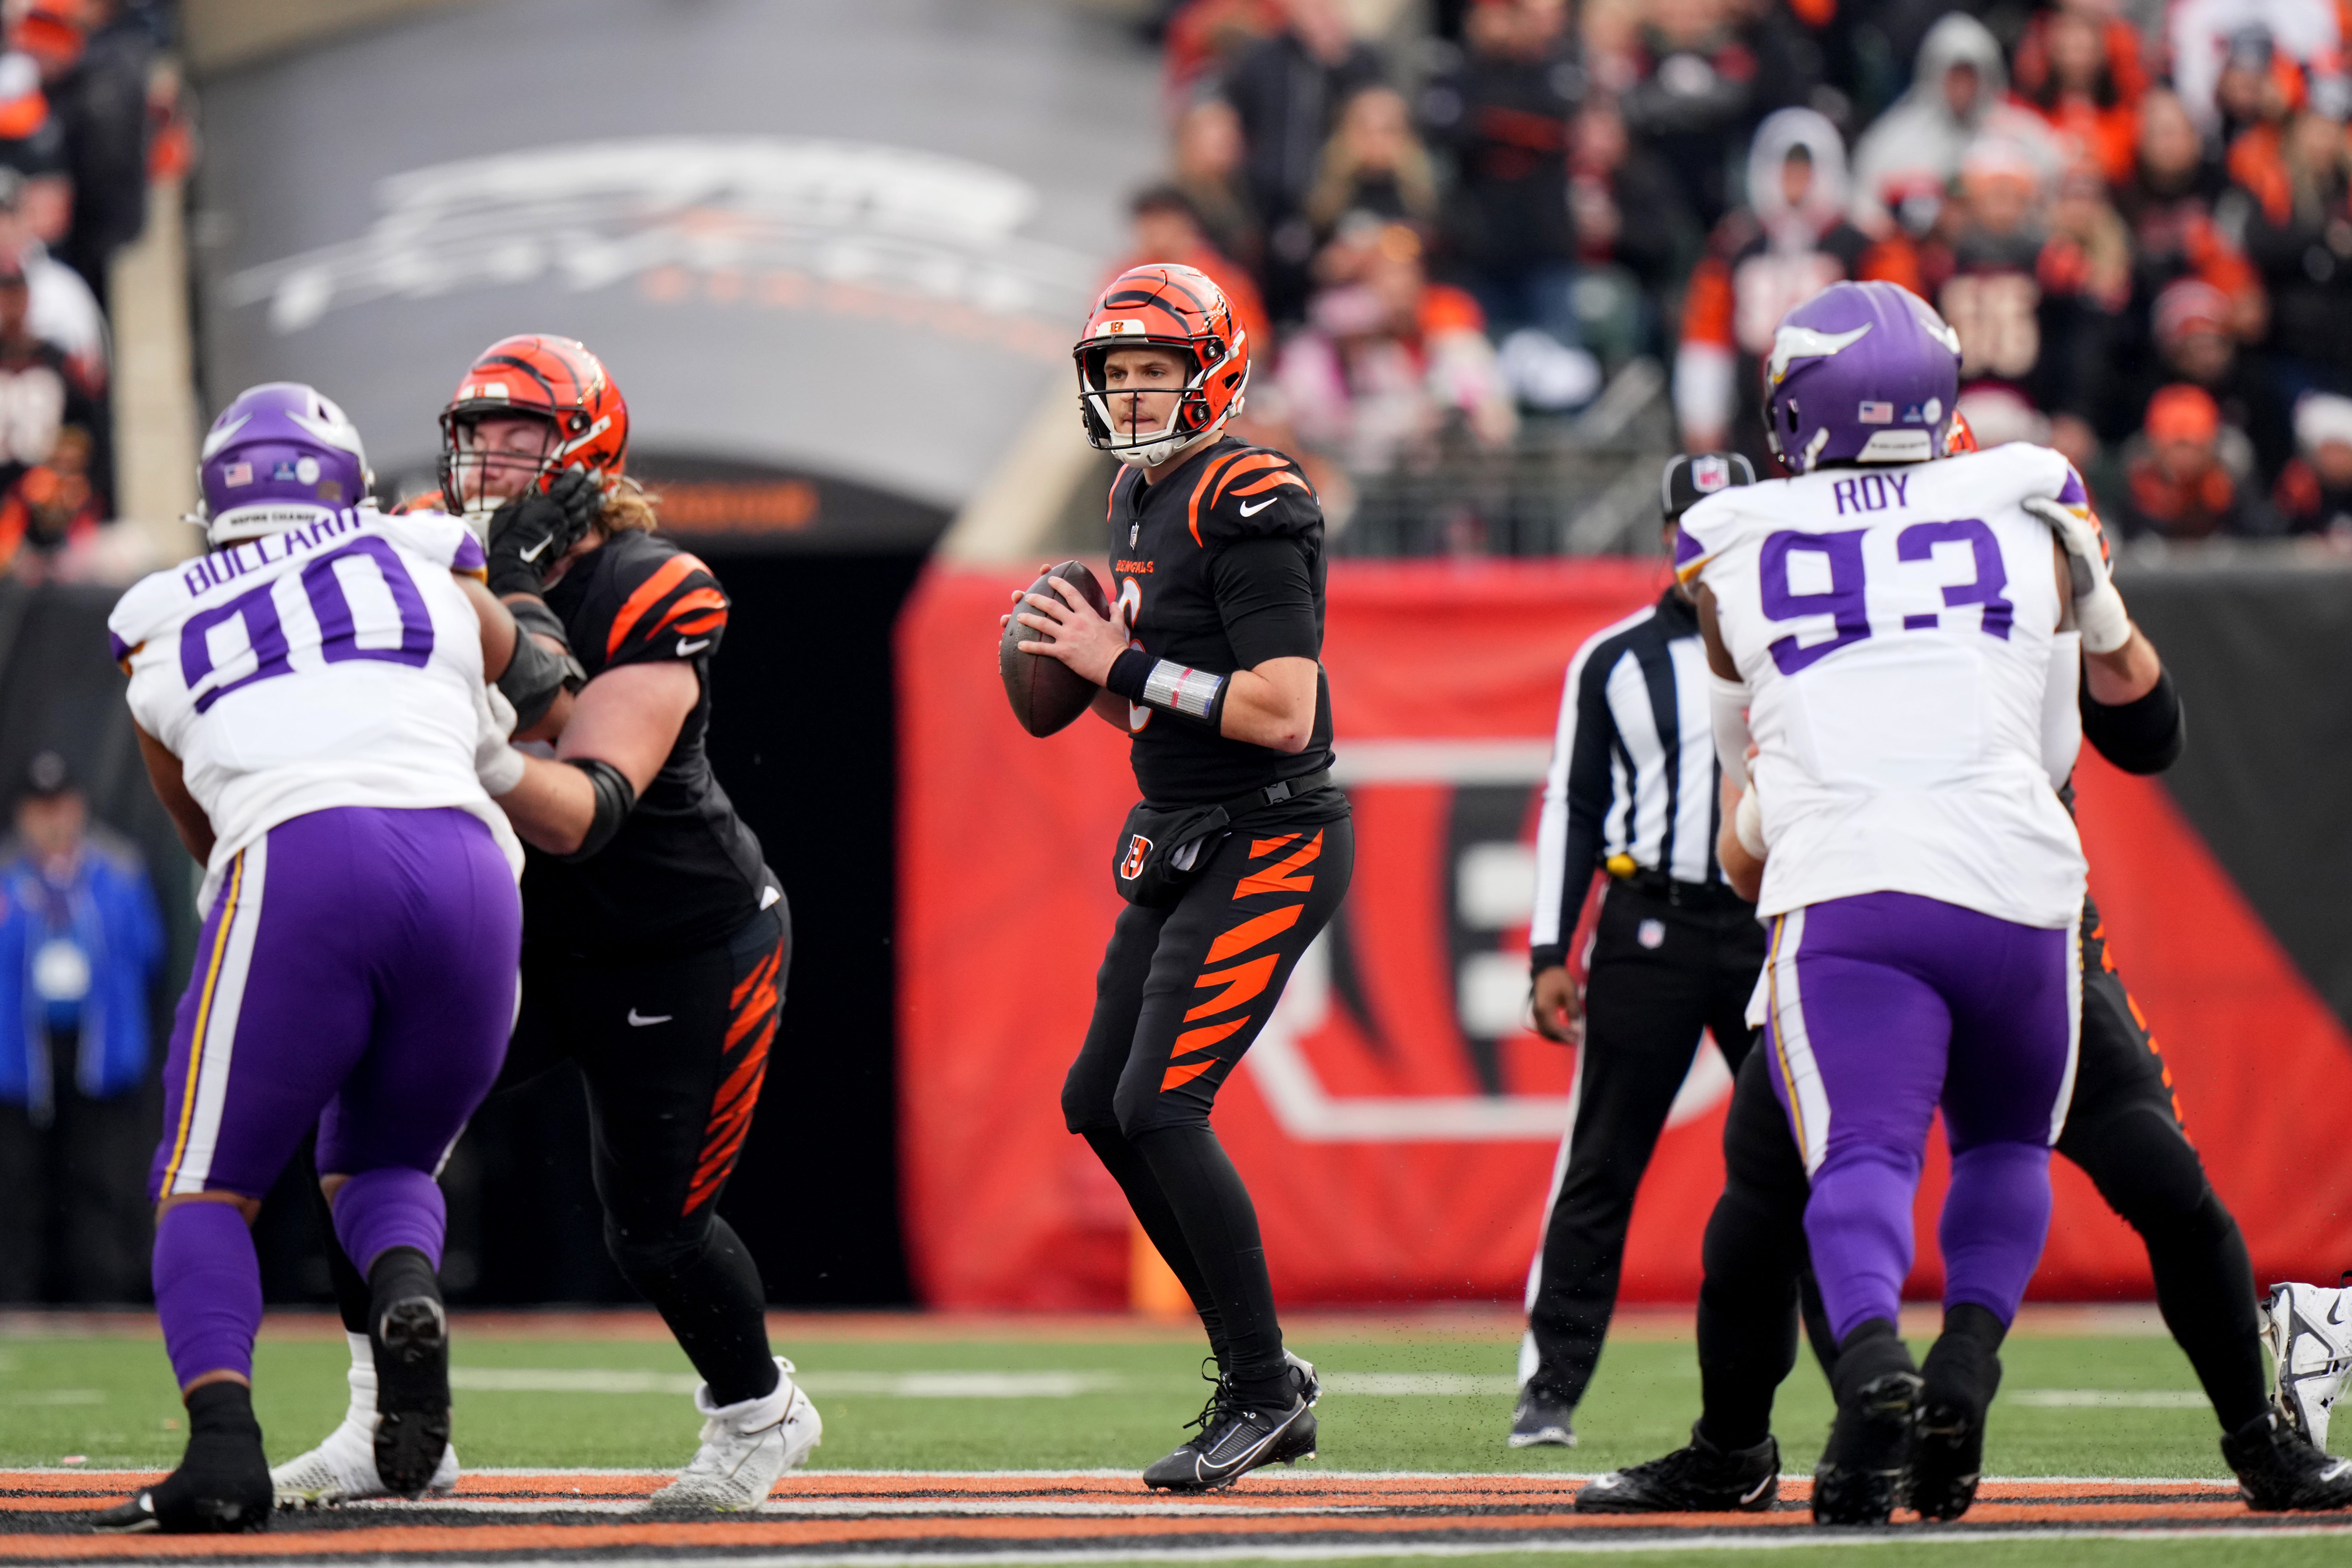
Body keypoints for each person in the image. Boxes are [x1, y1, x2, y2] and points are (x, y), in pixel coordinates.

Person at [1577, 426, 2352, 1518]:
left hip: (1875, 919)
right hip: (2018, 928)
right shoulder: (2008, 543)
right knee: (2147, 1185)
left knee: (1781, 1184)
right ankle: (2248, 1442)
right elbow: (2150, 731)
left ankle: (1762, 1439)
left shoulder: (1814, 568)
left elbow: (1747, 835)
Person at [271, 336, 810, 1513]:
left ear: (584, 452)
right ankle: (389, 1422)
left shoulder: (650, 583)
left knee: (655, 1232)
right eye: (477, 436)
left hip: (679, 937)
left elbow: (583, 810)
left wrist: (499, 626)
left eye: (521, 436)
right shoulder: (429, 544)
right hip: (514, 928)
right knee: (361, 1130)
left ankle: (760, 1408)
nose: (491, 459)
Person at [1668, 279, 2096, 1525]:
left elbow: (1745, 789)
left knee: (1857, 1154)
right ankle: (1965, 1361)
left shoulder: (1729, 529)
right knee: (2008, 1145)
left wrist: (1771, 825)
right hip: (2021, 879)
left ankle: (1870, 1367)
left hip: (1851, 884)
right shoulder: (2030, 487)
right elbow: (2059, 744)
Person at [91, 383, 532, 1532]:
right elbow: (508, 660)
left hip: (300, 854)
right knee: (383, 1162)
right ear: (344, 487)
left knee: (204, 1184)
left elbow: (197, 817)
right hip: (474, 872)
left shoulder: (152, 610)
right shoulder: (423, 544)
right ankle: (404, 1292)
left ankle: (225, 1451)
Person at [1020, 262, 1347, 1490]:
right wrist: (1085, 667)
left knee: (1162, 1102)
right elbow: (1167, 717)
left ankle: (1261, 1386)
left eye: (1155, 369)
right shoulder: (1131, 494)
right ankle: (1264, 1372)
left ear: (1208, 370)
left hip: (1272, 829)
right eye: (1117, 373)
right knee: (1098, 1102)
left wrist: (1118, 656)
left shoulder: (1251, 490)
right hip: (1183, 826)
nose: (1133, 393)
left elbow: (1278, 710)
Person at [1511, 451, 1764, 1450]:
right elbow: (1571, 805)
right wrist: (1545, 948)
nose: (1705, 538)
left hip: (1762, 925)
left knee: (1811, 1156)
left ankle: (1858, 1369)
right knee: (1602, 1161)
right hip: (1647, 926)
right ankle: (1550, 1384)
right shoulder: (1613, 657)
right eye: (1691, 521)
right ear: (1666, 534)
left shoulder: (1798, 637)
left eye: (1724, 517)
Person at [0, 749, 163, 1303]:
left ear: (80, 808)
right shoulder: (6, 875)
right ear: (23, 814)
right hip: (20, 1057)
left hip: (100, 1054)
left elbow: (148, 953)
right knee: (18, 1183)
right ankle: (17, 1298)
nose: (52, 820)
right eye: (40, 807)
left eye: (61, 805)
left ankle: (103, 1296)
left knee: (100, 1181)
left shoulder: (117, 869)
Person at [1673, 109, 1917, 464]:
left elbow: (1898, 325)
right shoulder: (1737, 245)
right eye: (1787, 170)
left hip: (1844, 414)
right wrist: (1703, 410)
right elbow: (1707, 332)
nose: (1796, 182)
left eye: (1806, 170)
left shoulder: (1863, 242)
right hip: (1754, 414)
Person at [1849, 13, 2061, 239]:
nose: (1962, 88)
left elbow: (2054, 191)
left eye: (1970, 77)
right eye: (1954, 77)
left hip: (2009, 249)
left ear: (1987, 77)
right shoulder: (1893, 139)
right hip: (1921, 252)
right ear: (1935, 75)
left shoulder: (2023, 132)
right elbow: (1864, 203)